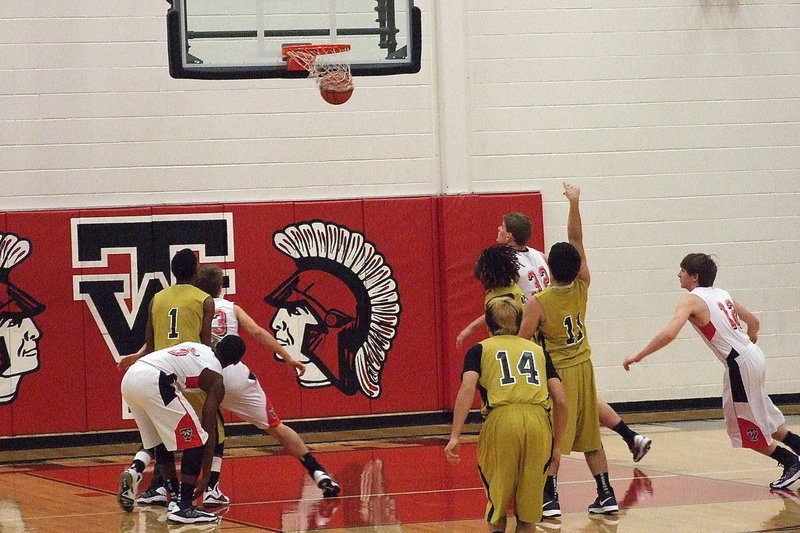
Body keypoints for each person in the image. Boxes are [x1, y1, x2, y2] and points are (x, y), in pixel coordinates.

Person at [458, 211, 651, 463]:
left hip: (541, 336)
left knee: (551, 406)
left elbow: (509, 306)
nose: (497, 229)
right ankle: (630, 436)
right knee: (583, 398)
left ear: (509, 235)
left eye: (501, 227)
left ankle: (546, 482)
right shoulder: (539, 255)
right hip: (563, 326)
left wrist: (473, 328)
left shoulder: (508, 266)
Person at [623, 253, 800, 489]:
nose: (679, 274)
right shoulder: (722, 294)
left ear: (694, 276)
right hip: (752, 356)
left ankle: (791, 462)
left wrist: (639, 355)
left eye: (682, 270)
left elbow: (669, 333)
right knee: (763, 414)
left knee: (741, 425)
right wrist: (750, 340)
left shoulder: (692, 300)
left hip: (739, 364)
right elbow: (754, 322)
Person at [193, 264, 341, 502]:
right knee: (276, 427)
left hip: (203, 374)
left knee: (208, 430)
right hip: (234, 375)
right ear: (221, 287)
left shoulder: (194, 307)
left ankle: (193, 487)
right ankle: (318, 472)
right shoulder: (232, 308)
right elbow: (258, 333)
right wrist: (289, 357)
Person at [518, 182, 619, 517]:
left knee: (551, 436)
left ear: (548, 269)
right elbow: (577, 241)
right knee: (591, 435)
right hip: (585, 366)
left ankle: (549, 498)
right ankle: (606, 493)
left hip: (557, 374)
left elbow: (521, 343)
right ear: (576, 267)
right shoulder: (582, 285)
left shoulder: (539, 301)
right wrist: (574, 202)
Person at [445, 297, 567, 533]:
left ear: (488, 327)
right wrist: (558, 445)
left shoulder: (479, 349)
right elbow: (561, 401)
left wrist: (455, 435)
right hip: (538, 423)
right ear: (519, 323)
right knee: (528, 514)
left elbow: (468, 388)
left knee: (497, 508)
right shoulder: (538, 351)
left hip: (501, 421)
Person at [117, 248, 218, 508]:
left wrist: (135, 356)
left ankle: (162, 488)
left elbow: (150, 345)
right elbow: (205, 345)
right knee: (200, 435)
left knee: (160, 438)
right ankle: (198, 492)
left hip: (152, 369)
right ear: (196, 271)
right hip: (188, 373)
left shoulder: (157, 299)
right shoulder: (205, 300)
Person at [117, 335, 246, 524]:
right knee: (197, 438)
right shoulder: (216, 378)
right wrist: (206, 475)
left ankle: (176, 497)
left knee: (160, 440)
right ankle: (184, 506)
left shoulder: (197, 347)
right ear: (235, 362)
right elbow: (208, 426)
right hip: (155, 379)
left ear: (217, 345)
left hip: (131, 377)